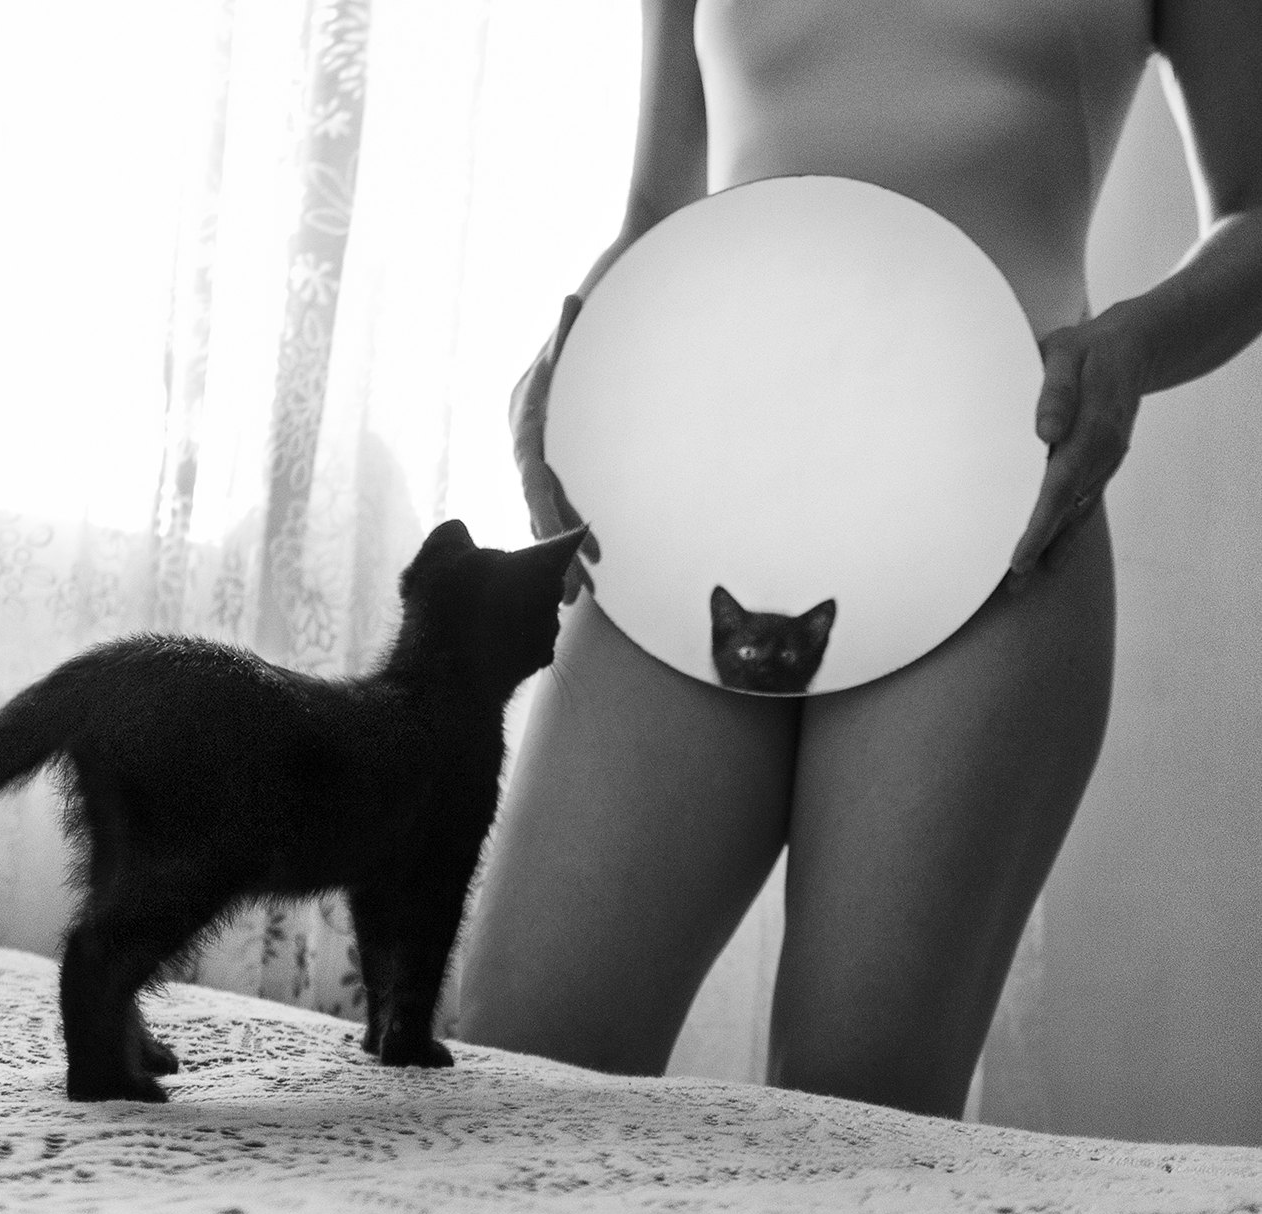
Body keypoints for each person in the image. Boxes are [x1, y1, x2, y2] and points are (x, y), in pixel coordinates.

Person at [455, 0, 1262, 1118]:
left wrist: (1128, 350)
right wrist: (566, 350)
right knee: (507, 1073)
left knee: (853, 1120)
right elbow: (659, 203)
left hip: (991, 522)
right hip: (685, 500)